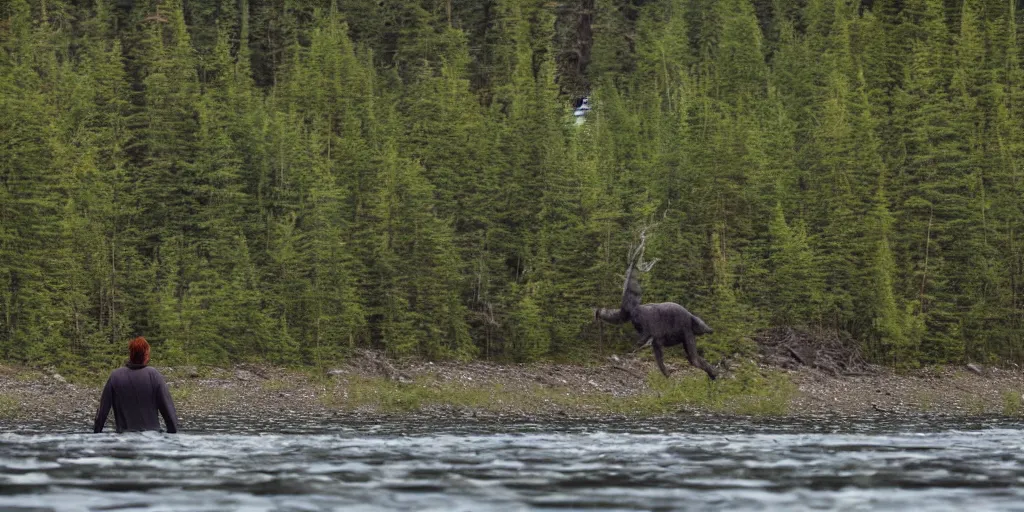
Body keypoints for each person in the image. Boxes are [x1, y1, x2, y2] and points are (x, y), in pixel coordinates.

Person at [93, 336, 180, 433]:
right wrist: (173, 436)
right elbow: (168, 412)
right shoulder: (153, 375)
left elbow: (101, 414)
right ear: (146, 354)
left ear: (131, 354)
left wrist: (96, 433)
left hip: (124, 439)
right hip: (152, 439)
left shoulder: (116, 376)